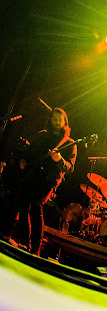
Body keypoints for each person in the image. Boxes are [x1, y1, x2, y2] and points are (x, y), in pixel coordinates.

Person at [1, 107, 77, 256]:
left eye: (60, 120)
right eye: (54, 119)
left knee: (36, 207)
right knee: (22, 206)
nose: (56, 122)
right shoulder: (42, 136)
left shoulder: (69, 142)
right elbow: (30, 153)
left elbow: (70, 167)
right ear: (50, 120)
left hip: (49, 180)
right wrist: (23, 161)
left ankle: (35, 249)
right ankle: (25, 243)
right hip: (32, 175)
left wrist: (59, 160)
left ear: (65, 122)